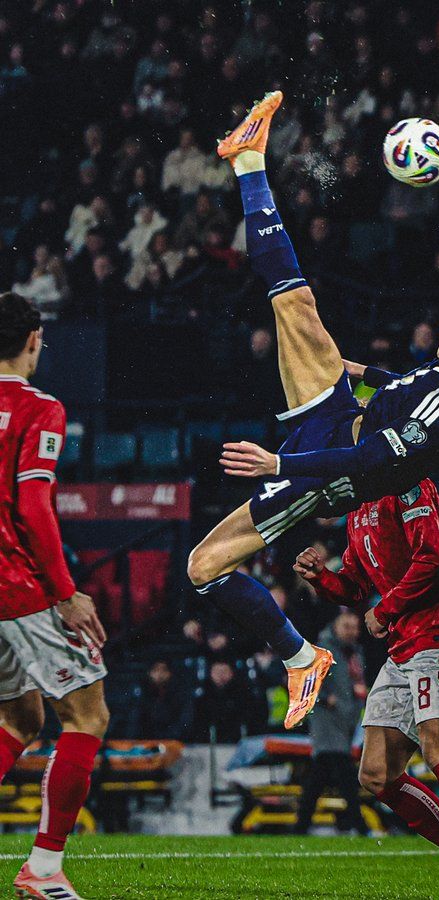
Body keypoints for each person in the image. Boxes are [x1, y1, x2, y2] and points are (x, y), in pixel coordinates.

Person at [186, 91, 439, 730]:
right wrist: (362, 371)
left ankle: (300, 656)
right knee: (293, 301)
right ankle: (248, 160)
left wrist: (280, 461)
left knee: (203, 566)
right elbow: (406, 392)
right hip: (340, 415)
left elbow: (375, 456)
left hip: (328, 467)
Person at [294, 479, 439, 900]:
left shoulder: (408, 484)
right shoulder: (358, 510)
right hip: (404, 644)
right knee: (375, 773)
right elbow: (355, 585)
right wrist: (322, 578)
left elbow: (438, 562)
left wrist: (385, 609)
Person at [0, 292, 109, 899]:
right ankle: (43, 870)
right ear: (35, 340)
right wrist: (66, 593)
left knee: (21, 716)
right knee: (87, 715)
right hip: (17, 587)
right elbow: (33, 505)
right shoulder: (37, 407)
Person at [294, 612, 368, 836]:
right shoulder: (323, 651)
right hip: (327, 720)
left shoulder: (355, 652)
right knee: (342, 771)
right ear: (335, 627)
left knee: (321, 774)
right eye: (347, 626)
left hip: (346, 719)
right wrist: (326, 699)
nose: (352, 631)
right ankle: (358, 824)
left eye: (355, 627)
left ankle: (301, 826)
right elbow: (306, 682)